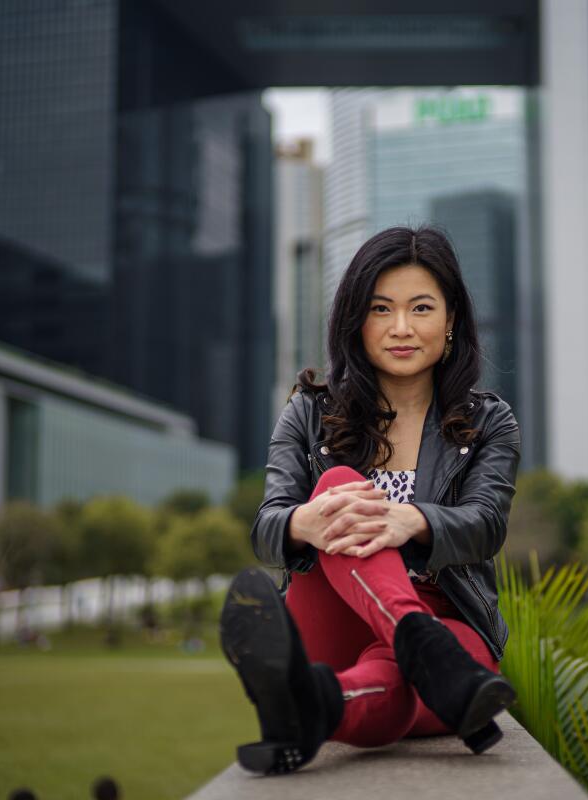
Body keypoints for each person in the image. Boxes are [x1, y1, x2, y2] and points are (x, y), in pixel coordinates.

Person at [220, 225, 521, 775]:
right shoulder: (310, 413)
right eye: (381, 309)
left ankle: (315, 703)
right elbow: (266, 526)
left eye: (422, 308)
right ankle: (417, 641)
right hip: (334, 611)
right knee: (336, 487)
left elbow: (486, 524)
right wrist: (302, 523)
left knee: (409, 686)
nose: (401, 328)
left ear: (451, 319)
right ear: (356, 320)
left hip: (450, 619)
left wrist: (408, 520)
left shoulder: (488, 422)